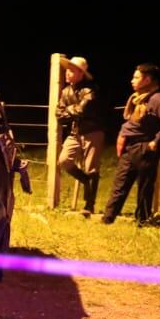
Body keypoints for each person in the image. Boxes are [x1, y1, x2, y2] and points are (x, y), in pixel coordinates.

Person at [102, 63, 160, 225]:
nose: (132, 80)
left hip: (145, 147)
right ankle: (107, 219)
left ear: (148, 79)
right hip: (130, 147)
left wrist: (157, 140)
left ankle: (142, 221)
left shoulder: (158, 99)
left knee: (144, 186)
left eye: (136, 77)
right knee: (120, 183)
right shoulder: (138, 99)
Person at [55, 56, 106, 217]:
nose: (67, 73)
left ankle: (89, 205)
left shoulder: (90, 89)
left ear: (81, 74)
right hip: (75, 132)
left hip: (93, 132)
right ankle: (86, 181)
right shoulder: (66, 91)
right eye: (67, 70)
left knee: (91, 168)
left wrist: (69, 111)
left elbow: (83, 110)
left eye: (72, 70)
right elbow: (59, 115)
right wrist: (72, 111)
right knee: (64, 160)